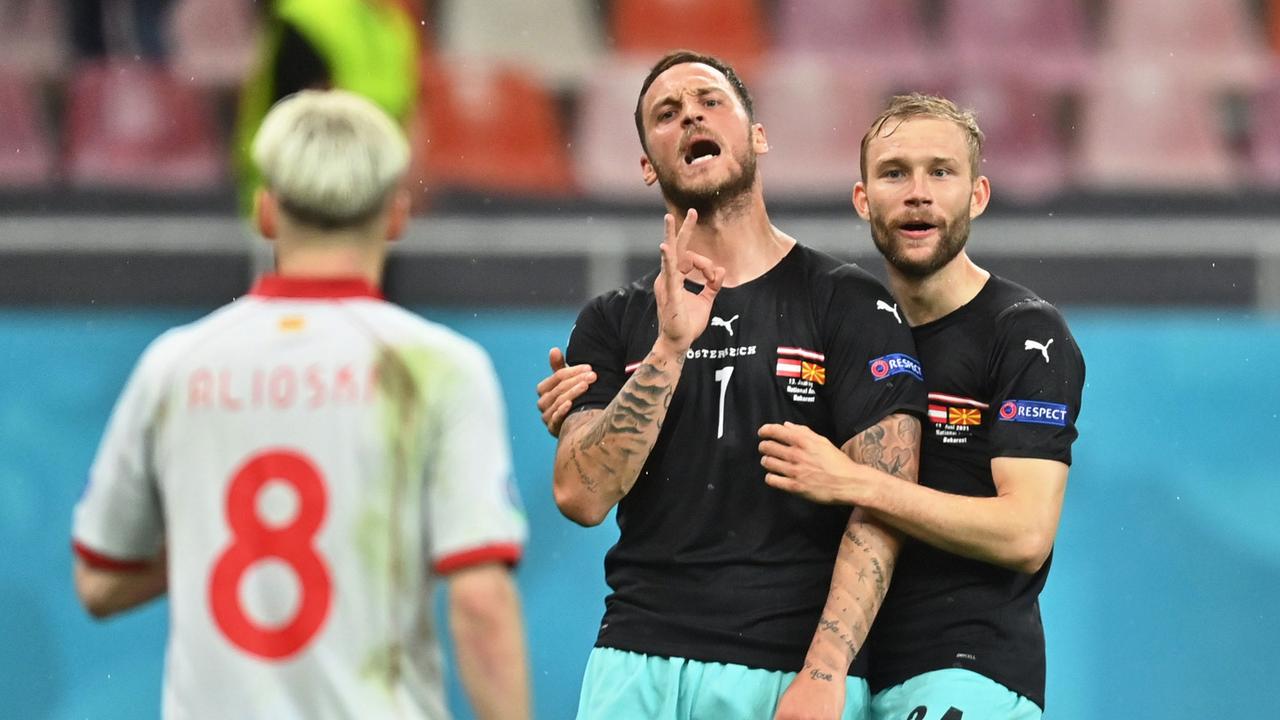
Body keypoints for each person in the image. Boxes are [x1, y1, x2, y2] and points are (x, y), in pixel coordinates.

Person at [71, 89, 530, 720]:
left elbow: (98, 582)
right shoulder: (438, 368)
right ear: (396, 215)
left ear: (266, 211)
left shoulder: (175, 365)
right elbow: (479, 602)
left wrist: (214, 537)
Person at [544, 50, 926, 719]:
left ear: (758, 136)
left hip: (784, 668)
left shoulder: (849, 304)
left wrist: (826, 671)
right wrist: (668, 350)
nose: (691, 115)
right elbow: (581, 495)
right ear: (647, 165)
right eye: (667, 113)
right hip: (634, 662)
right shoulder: (612, 320)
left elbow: (883, 508)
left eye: (710, 101)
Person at [757, 94, 1085, 719]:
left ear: (977, 195)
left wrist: (858, 482)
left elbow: (1025, 533)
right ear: (863, 200)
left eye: (941, 172)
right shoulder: (842, 331)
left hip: (966, 669)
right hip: (845, 676)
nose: (917, 193)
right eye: (894, 173)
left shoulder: (1025, 332)